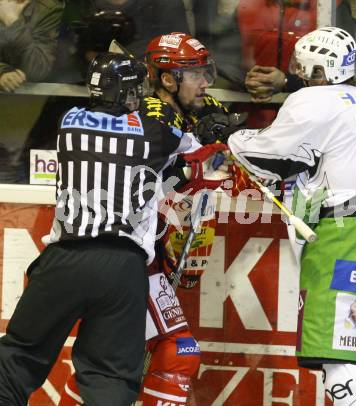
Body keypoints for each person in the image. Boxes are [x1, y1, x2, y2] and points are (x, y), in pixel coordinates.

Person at [0, 52, 204, 405]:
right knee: (109, 377)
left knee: (17, 358)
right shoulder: (152, 131)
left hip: (64, 259)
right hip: (122, 268)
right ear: (130, 91)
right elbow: (192, 152)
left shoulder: (70, 120)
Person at [58, 32, 246, 406]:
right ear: (166, 79)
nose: (206, 82)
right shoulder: (145, 116)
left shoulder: (191, 109)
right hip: (124, 253)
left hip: (144, 255)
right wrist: (202, 157)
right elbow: (157, 181)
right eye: (195, 74)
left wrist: (224, 135)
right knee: (177, 351)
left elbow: (216, 149)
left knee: (109, 360)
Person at [228, 27, 356, 405]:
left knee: (338, 367)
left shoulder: (313, 100)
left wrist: (230, 135)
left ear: (312, 64)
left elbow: (268, 157)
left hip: (348, 237)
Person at [0, 0, 64, 92]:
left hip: (27, 97)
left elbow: (37, 69)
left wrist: (12, 20)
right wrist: (2, 72)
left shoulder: (47, 10)